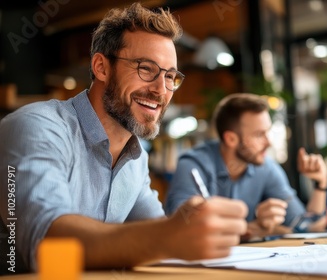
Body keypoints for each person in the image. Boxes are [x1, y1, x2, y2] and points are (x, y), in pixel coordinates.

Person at [0, 3, 248, 274]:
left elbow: (157, 237)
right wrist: (167, 236)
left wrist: (199, 235)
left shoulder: (134, 157)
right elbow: (47, 247)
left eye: (170, 77)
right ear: (101, 67)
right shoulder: (37, 127)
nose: (160, 90)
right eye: (146, 68)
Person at [164, 93, 327, 239]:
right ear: (231, 139)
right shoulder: (194, 166)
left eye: (268, 132)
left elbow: (308, 227)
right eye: (259, 135)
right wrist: (254, 229)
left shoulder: (266, 168)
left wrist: (320, 184)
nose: (269, 142)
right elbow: (182, 230)